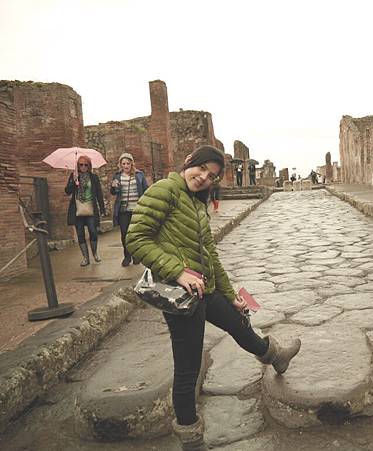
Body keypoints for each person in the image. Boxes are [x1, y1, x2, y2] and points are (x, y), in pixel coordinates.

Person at [126, 145, 301, 451]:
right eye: (202, 169)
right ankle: (191, 438)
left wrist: (232, 296)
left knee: (239, 323)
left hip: (204, 290)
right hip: (180, 297)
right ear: (188, 163)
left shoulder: (196, 203)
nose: (204, 177)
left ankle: (276, 356)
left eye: (212, 175)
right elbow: (136, 239)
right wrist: (178, 272)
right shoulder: (164, 190)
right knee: (187, 367)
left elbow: (211, 256)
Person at [65, 155, 106, 266]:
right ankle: (85, 258)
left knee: (93, 231)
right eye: (81, 165)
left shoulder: (94, 178)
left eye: (85, 165)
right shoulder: (74, 176)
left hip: (90, 209)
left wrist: (102, 209)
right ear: (78, 166)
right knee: (80, 234)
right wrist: (74, 182)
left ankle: (95, 253)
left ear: (89, 166)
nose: (83, 167)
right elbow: (67, 191)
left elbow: (99, 194)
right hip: (77, 209)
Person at [110, 152, 149, 266]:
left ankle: (136, 256)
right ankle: (127, 256)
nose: (126, 166)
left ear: (132, 163)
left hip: (137, 210)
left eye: (128, 163)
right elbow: (113, 192)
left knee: (136, 234)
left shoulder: (139, 175)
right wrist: (114, 187)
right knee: (124, 234)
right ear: (120, 165)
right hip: (123, 210)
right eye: (123, 163)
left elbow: (146, 189)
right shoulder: (117, 176)